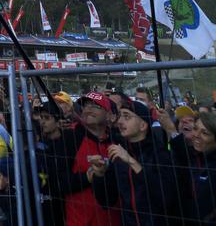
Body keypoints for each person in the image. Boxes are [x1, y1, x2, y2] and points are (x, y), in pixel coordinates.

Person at [89, 98, 178, 226]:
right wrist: (100, 175)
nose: (119, 121)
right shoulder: (119, 155)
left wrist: (133, 163)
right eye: (120, 116)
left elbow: (166, 198)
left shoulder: (160, 154)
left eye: (127, 116)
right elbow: (106, 201)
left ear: (143, 125)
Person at [54, 90, 120, 226]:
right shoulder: (69, 138)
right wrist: (89, 176)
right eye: (86, 105)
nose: (88, 109)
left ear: (109, 115)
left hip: (114, 220)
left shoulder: (119, 141)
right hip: (79, 221)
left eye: (96, 106)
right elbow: (58, 182)